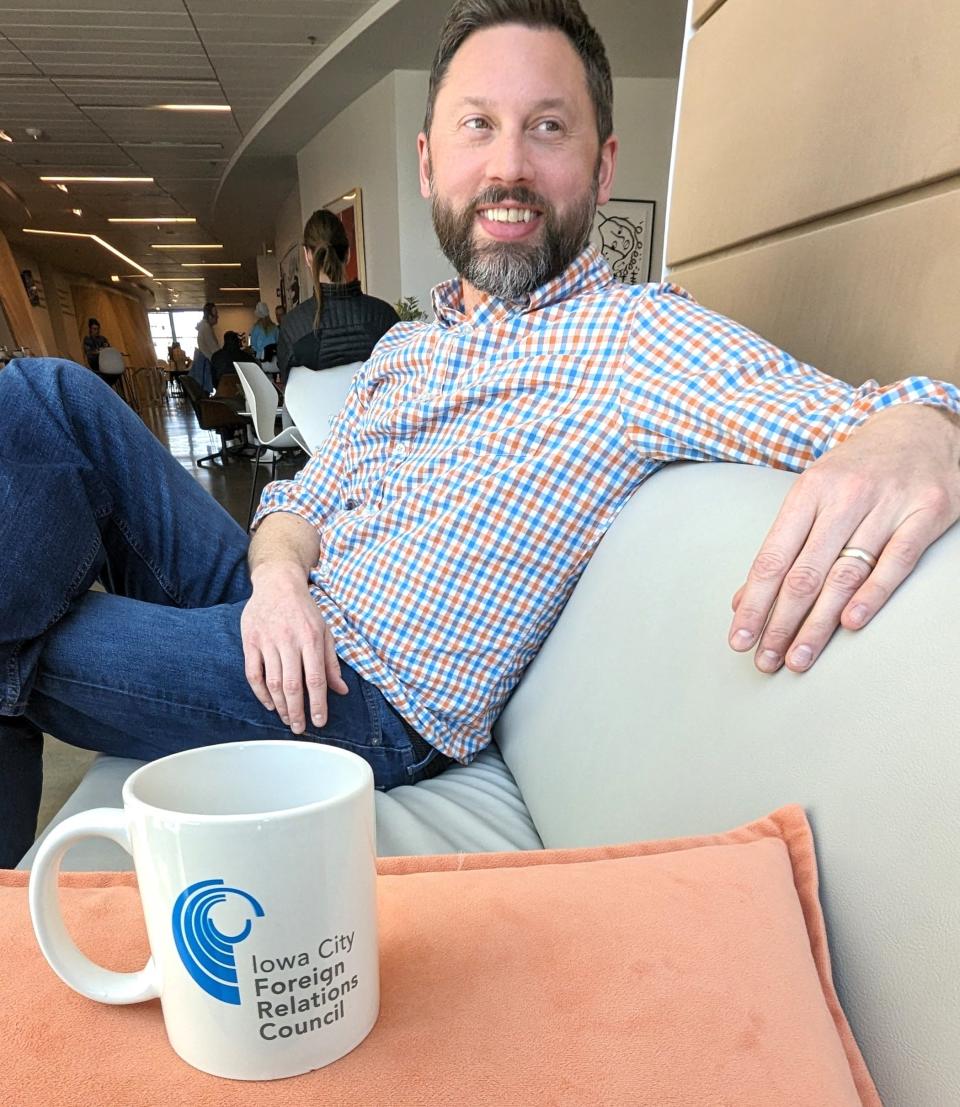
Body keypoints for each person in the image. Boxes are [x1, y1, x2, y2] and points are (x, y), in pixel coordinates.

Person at [1, 0, 959, 869]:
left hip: (363, 700)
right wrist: (280, 583)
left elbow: (877, 413)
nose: (508, 166)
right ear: (429, 161)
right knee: (44, 397)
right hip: (284, 607)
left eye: (547, 127)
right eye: (479, 126)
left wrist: (923, 428)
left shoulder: (637, 338)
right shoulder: (406, 347)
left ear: (602, 164)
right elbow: (296, 502)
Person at [276, 209, 399, 385]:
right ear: (348, 253)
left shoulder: (293, 327)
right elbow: (401, 384)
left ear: (307, 256)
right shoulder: (384, 316)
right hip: (376, 412)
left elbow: (292, 393)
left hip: (313, 413)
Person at [190, 302, 219, 393]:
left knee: (203, 391)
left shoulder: (204, 327)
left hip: (203, 362)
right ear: (210, 316)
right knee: (203, 391)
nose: (218, 317)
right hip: (205, 363)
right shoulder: (206, 328)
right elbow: (214, 349)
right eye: (216, 315)